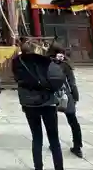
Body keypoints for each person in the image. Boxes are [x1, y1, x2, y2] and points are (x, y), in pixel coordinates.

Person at [11, 40, 66, 170]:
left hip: (29, 104)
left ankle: (38, 167)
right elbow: (57, 79)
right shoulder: (45, 62)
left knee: (37, 138)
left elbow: (18, 80)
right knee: (54, 139)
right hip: (47, 102)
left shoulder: (16, 62)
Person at [49, 45, 83, 158]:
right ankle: (77, 146)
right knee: (73, 121)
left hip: (51, 95)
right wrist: (75, 96)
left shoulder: (47, 64)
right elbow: (72, 83)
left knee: (52, 122)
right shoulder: (66, 65)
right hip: (66, 95)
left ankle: (54, 144)